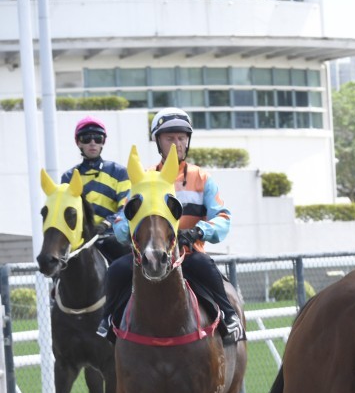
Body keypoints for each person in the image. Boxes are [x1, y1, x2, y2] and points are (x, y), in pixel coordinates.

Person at [96, 107, 244, 344]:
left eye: (182, 137)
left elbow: (223, 219)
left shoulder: (202, 178)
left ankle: (229, 315)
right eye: (170, 138)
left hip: (188, 254)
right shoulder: (143, 179)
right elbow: (123, 222)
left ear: (188, 140)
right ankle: (107, 322)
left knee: (205, 265)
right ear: (158, 142)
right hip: (147, 253)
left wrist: (198, 231)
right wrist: (132, 232)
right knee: (116, 270)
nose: (177, 143)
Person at [61, 116, 131, 262]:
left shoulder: (118, 172)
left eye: (97, 138)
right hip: (80, 241)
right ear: (78, 142)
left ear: (103, 142)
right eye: (86, 138)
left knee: (129, 265)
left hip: (109, 237)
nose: (92, 143)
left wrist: (106, 223)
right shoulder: (69, 177)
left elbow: (126, 207)